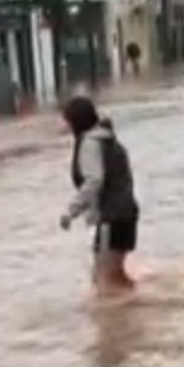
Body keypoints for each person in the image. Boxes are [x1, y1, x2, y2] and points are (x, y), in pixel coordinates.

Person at [59, 96, 140, 295]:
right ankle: (140, 305)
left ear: (76, 122)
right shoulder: (109, 140)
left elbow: (94, 180)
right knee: (112, 276)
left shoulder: (90, 143)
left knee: (104, 282)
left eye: (67, 121)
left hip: (111, 218)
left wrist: (71, 211)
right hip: (126, 214)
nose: (66, 127)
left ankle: (120, 322)